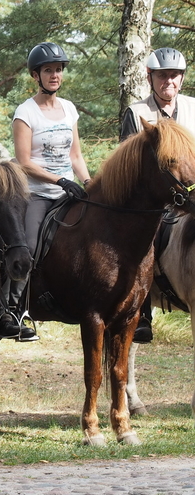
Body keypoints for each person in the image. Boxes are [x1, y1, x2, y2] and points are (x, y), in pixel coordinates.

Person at [0, 41, 91, 342]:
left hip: (69, 191)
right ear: (35, 76)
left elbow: (75, 155)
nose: (55, 75)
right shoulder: (26, 112)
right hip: (37, 193)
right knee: (27, 245)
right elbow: (24, 162)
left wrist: (88, 182)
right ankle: (11, 310)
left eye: (58, 70)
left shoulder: (69, 109)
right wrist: (59, 181)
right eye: (48, 70)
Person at [120, 47, 195, 344]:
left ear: (182, 79)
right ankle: (143, 310)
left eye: (175, 76)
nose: (169, 82)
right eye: (163, 75)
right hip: (154, 198)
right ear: (150, 77)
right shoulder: (137, 112)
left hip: (190, 190)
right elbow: (129, 164)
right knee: (142, 235)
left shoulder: (192, 107)